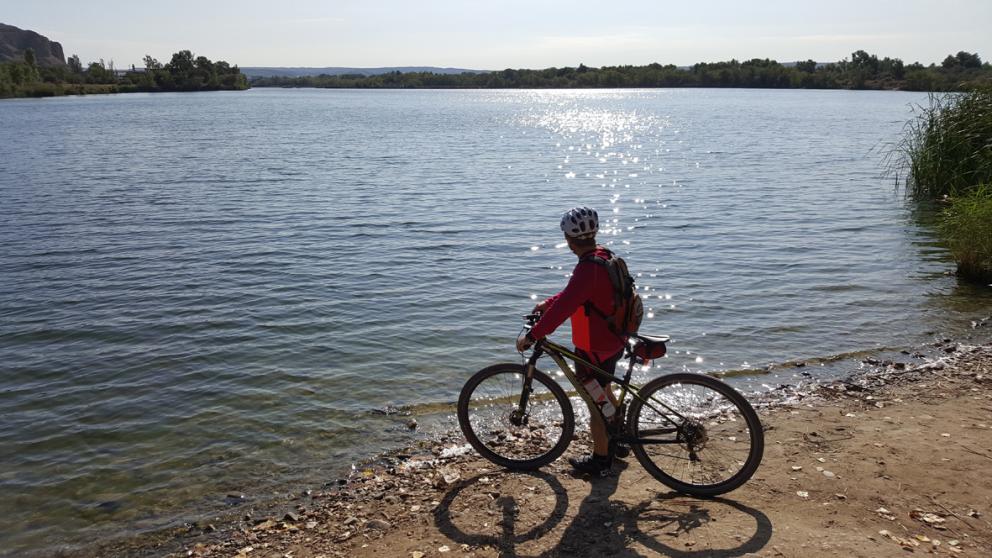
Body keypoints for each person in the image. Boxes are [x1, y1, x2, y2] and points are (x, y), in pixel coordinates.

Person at [515, 206, 627, 476]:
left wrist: (533, 335)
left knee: (595, 403)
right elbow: (574, 294)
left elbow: (566, 306)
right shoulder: (603, 256)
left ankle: (601, 460)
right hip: (614, 339)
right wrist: (548, 303)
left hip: (594, 347)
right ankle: (618, 438)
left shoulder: (588, 268)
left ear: (568, 239)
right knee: (605, 391)